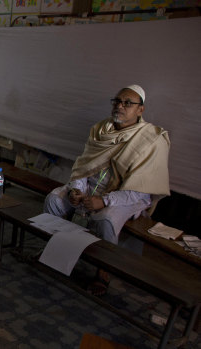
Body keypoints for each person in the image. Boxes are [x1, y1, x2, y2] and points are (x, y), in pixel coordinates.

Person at [43, 84, 170, 296]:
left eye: (128, 103)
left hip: (126, 196)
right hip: (91, 188)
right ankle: (55, 251)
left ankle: (103, 272)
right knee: (54, 200)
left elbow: (140, 189)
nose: (120, 106)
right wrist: (77, 190)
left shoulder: (152, 140)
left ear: (141, 109)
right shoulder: (100, 129)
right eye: (117, 101)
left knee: (105, 219)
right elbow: (84, 167)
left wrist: (104, 201)